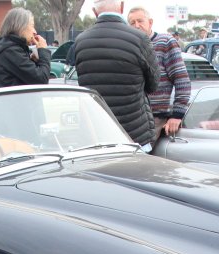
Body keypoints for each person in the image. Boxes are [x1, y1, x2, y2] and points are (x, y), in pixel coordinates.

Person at [73, 0, 160, 149]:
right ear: (122, 7)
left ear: (95, 12)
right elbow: (154, 83)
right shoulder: (139, 39)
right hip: (135, 132)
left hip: (96, 132)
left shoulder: (80, 42)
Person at [128, 6, 190, 140]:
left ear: (150, 22)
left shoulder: (165, 42)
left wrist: (177, 115)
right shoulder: (128, 46)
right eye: (132, 23)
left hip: (156, 117)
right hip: (132, 118)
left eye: (140, 21)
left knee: (140, 155)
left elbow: (182, 80)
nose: (136, 26)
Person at [0, 7, 51, 88]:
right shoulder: (10, 51)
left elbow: (27, 80)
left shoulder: (7, 49)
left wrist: (34, 61)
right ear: (20, 26)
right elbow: (42, 80)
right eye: (32, 26)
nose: (35, 32)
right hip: (13, 100)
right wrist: (43, 51)